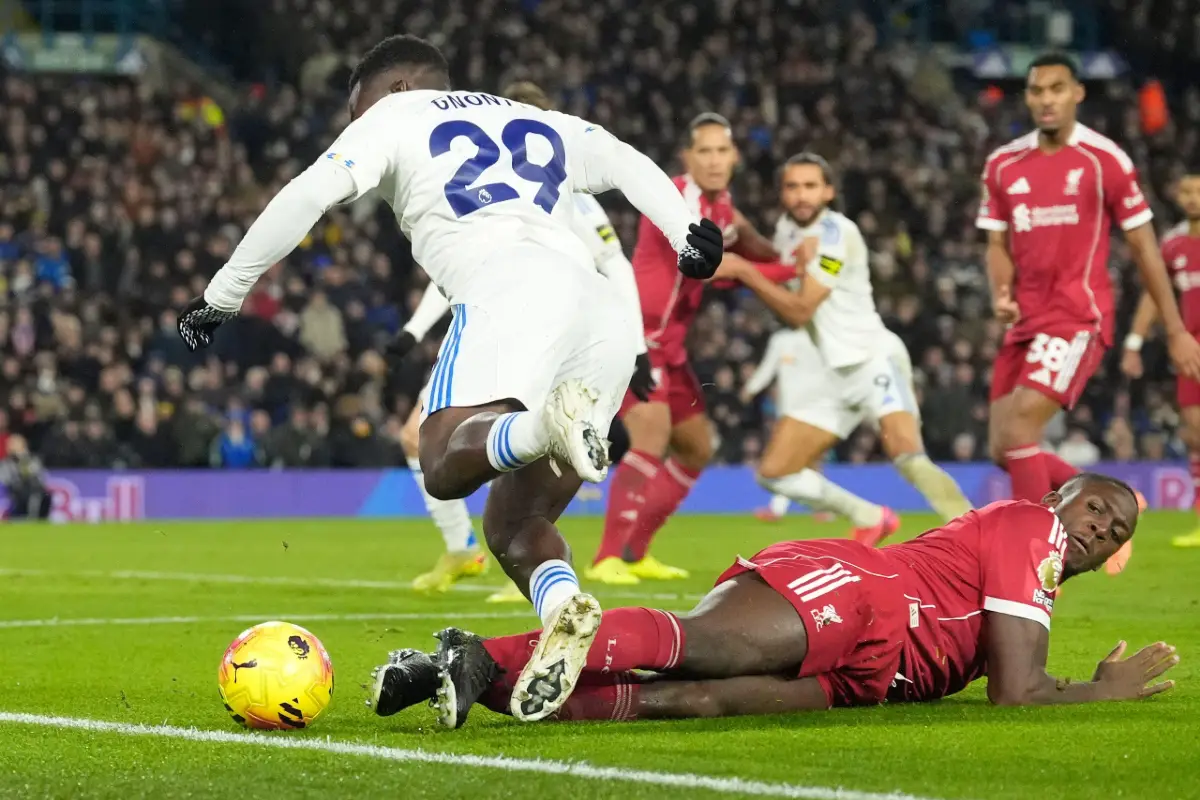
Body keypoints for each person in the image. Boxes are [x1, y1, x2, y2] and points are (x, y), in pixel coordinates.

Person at [177, 34, 724, 723]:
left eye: (359, 110)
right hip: (603, 314)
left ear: (399, 90)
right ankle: (565, 609)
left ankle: (543, 424)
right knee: (516, 527)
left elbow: (307, 193)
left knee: (439, 461)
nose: (357, 126)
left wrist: (222, 296)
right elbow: (622, 158)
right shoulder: (537, 120)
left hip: (512, 289)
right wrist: (687, 230)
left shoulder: (397, 116)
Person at [372, 473, 1177, 728]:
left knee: (690, 703)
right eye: (1092, 506)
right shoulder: (1029, 526)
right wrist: (1098, 689)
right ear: (1057, 499)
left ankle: (451, 675)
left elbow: (1015, 677)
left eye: (1115, 528)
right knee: (704, 646)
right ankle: (481, 653)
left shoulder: (1035, 570)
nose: (1099, 526)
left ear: (1113, 555)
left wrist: (1071, 685)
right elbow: (1017, 689)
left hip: (874, 675)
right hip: (867, 595)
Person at [393, 81, 649, 601]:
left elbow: (612, 262)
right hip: (526, 320)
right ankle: (479, 550)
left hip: (534, 334)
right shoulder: (491, 190)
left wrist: (640, 346)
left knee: (488, 441)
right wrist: (412, 332)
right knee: (460, 441)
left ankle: (496, 550)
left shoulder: (564, 196)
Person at [977, 53, 1200, 574]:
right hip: (1024, 322)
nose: (1046, 99)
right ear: (1027, 96)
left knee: (1018, 436)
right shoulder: (1003, 164)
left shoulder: (1105, 160)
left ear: (1077, 92)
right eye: (1036, 90)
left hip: (1077, 315)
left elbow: (1147, 251)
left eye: (1057, 88)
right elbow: (995, 243)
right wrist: (1000, 290)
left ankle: (1030, 565)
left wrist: (1173, 331)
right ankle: (1115, 503)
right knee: (1000, 448)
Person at [716, 153, 973, 544]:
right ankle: (869, 517)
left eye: (810, 186)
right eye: (792, 186)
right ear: (782, 193)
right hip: (830, 373)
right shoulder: (787, 228)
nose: (801, 195)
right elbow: (780, 261)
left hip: (873, 360)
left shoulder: (839, 234)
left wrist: (743, 270)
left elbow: (800, 310)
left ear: (828, 191)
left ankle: (979, 538)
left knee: (908, 458)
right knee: (774, 472)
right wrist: (744, 231)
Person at [591, 113, 797, 585]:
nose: (714, 159)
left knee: (696, 448)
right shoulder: (678, 199)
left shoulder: (721, 204)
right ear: (688, 157)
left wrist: (786, 253)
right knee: (650, 437)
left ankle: (635, 551)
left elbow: (747, 239)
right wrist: (777, 273)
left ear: (735, 157)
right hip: (638, 337)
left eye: (722, 150)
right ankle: (606, 558)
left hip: (673, 348)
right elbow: (714, 265)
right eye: (704, 151)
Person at [1121, 168, 1200, 548]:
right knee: (1195, 432)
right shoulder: (1173, 245)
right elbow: (1155, 295)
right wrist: (1134, 341)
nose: (1191, 198)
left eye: (1197, 192)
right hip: (1190, 346)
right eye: (1186, 191)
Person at [0, 434, 52, 520]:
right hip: (16, 491)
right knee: (32, 495)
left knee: (43, 495)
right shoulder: (5, 463)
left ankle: (39, 519)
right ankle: (31, 518)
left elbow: (38, 474)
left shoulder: (32, 459)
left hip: (34, 489)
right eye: (11, 444)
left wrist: (23, 459)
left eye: (16, 444)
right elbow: (6, 479)